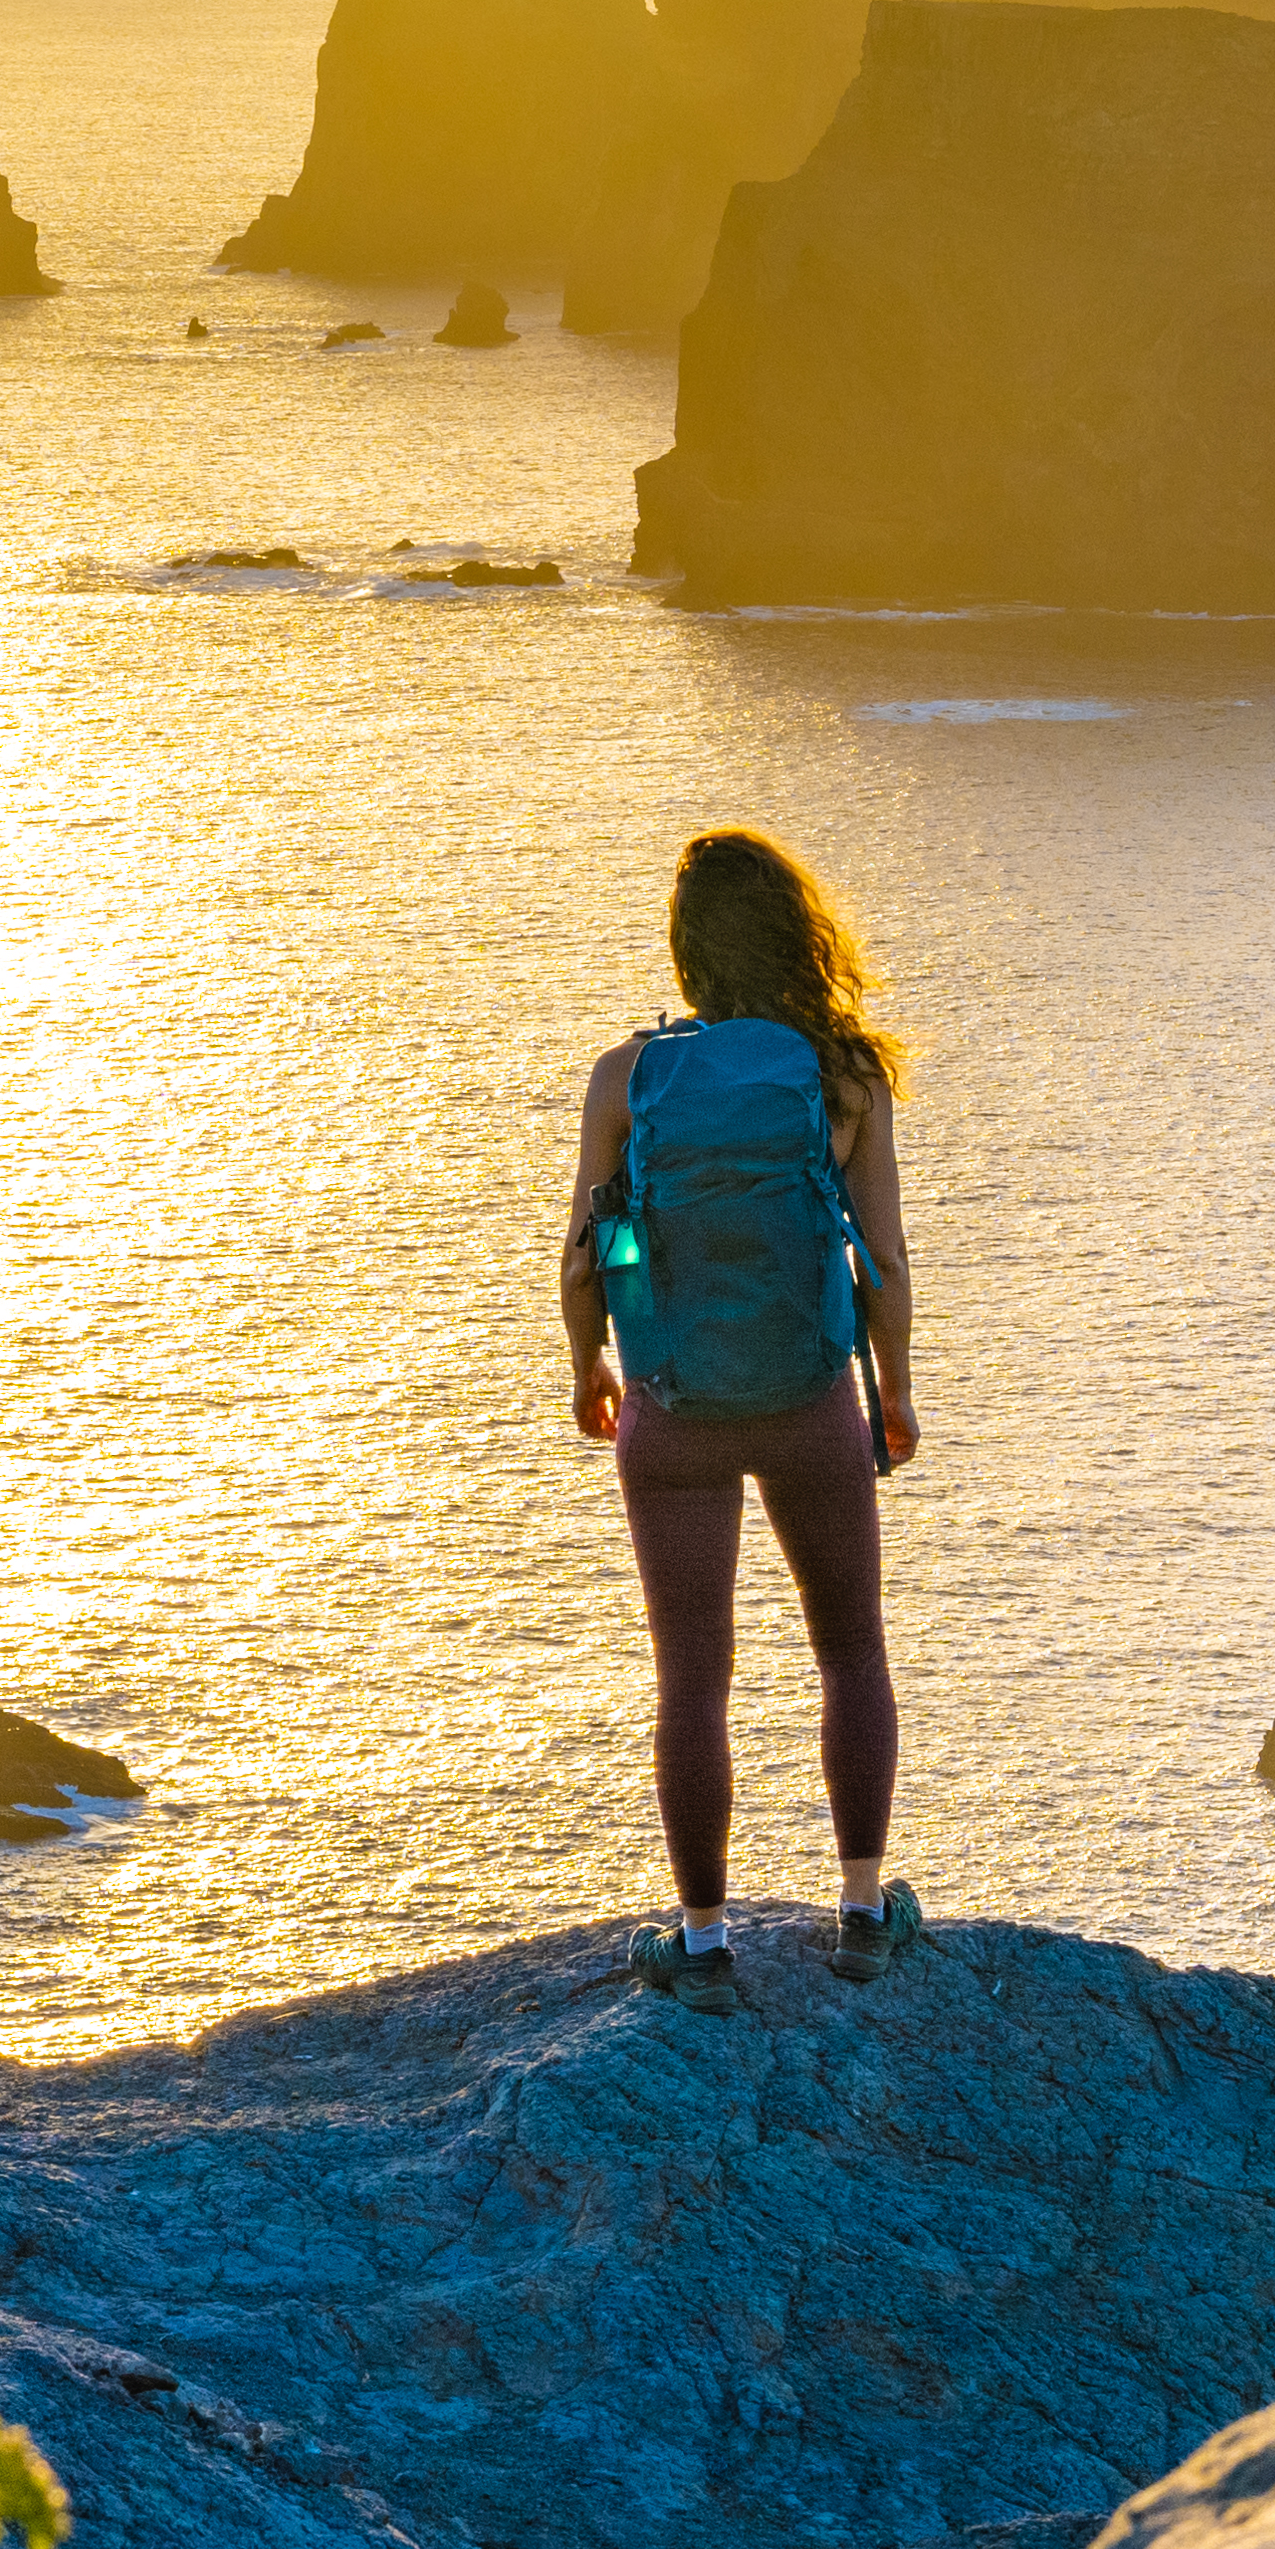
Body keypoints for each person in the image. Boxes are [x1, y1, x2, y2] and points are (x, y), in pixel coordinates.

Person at [563, 826, 920, 1997]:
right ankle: (862, 1913)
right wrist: (894, 1391)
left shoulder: (627, 1076)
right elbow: (883, 1262)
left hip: (671, 1405)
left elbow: (583, 1251)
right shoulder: (843, 1074)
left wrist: (587, 1366)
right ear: (796, 935)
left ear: (688, 951)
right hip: (810, 1397)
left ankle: (705, 1942)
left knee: (691, 1679)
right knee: (850, 1647)